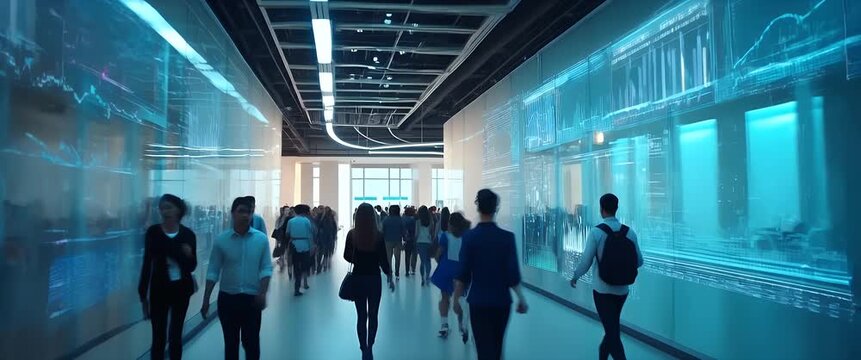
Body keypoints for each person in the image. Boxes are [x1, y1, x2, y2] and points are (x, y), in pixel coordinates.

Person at [453, 189, 528, 360]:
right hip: (502, 302)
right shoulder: (507, 238)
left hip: (478, 301)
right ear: (496, 209)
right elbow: (513, 275)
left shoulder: (470, 238)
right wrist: (521, 299)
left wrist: (456, 299)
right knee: (497, 346)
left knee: (483, 348)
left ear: (478, 208)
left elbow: (463, 273)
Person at [570, 194, 643, 360]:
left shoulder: (596, 232)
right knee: (612, 329)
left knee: (612, 332)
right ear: (616, 209)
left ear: (601, 209)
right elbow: (639, 261)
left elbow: (586, 261)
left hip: (602, 290)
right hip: (622, 291)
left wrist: (575, 276)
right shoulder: (629, 232)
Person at [201, 197, 272, 360]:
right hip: (228, 300)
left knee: (252, 344)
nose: (245, 215)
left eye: (248, 212)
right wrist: (206, 299)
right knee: (231, 344)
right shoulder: (222, 240)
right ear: (233, 213)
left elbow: (266, 268)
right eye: (241, 211)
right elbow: (213, 270)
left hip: (252, 300)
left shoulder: (260, 240)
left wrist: (262, 293)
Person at [138, 194, 197, 360]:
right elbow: (147, 264)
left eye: (169, 207)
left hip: (181, 290)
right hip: (159, 290)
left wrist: (188, 255)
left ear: (178, 210)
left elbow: (192, 266)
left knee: (175, 336)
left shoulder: (188, 235)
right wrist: (143, 295)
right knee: (158, 337)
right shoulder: (153, 232)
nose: (165, 211)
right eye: (162, 208)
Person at [345, 203, 395, 360]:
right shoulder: (378, 236)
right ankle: (370, 346)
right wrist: (389, 276)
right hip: (374, 279)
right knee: (373, 314)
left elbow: (346, 256)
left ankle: (363, 348)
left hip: (358, 278)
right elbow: (383, 260)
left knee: (361, 316)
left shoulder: (352, 235)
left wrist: (358, 257)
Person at [430, 211, 471, 343]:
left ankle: (444, 325)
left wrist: (440, 263)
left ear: (451, 224)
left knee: (444, 297)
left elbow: (438, 254)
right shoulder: (466, 236)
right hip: (461, 271)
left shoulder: (445, 237)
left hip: (445, 270)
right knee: (459, 300)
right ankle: (462, 324)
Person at [286, 204, 316, 296]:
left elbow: (287, 233)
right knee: (304, 266)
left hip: (294, 245)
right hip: (305, 245)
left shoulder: (291, 221)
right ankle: (305, 282)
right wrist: (312, 247)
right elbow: (310, 234)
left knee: (296, 266)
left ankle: (297, 287)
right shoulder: (306, 221)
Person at [382, 205, 406, 279]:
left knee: (388, 258)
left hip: (387, 241)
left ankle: (389, 272)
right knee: (397, 257)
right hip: (397, 241)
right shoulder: (400, 219)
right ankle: (397, 273)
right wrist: (404, 238)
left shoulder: (386, 219)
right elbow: (403, 230)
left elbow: (382, 230)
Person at [415, 206, 434, 286]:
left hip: (420, 242)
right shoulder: (431, 222)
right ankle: (427, 276)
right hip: (428, 242)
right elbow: (431, 233)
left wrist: (415, 242)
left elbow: (416, 233)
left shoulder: (418, 222)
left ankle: (422, 278)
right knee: (428, 261)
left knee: (422, 261)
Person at [402, 206, 418, 277]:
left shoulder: (403, 219)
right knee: (414, 255)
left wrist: (404, 238)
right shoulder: (415, 220)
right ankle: (413, 269)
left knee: (407, 256)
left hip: (407, 240)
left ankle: (407, 271)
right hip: (414, 239)